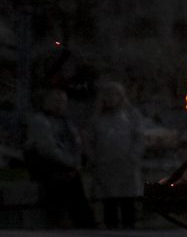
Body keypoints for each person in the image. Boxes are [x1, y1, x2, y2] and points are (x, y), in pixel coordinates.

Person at [23, 88, 95, 229]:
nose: (59, 104)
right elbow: (47, 148)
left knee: (78, 196)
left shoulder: (66, 122)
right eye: (55, 101)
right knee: (59, 193)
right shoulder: (39, 120)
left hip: (67, 165)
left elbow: (76, 143)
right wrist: (71, 162)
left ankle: (85, 225)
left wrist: (76, 161)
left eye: (62, 101)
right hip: (48, 167)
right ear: (45, 102)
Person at [87, 81, 144, 229]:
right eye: (108, 95)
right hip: (105, 164)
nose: (111, 98)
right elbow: (88, 141)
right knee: (109, 201)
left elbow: (139, 137)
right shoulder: (96, 119)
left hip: (126, 163)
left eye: (115, 95)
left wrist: (134, 156)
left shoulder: (131, 116)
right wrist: (94, 158)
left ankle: (129, 227)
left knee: (127, 201)